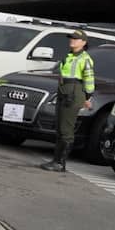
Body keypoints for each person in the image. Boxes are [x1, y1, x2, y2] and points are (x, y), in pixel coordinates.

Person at [40, 30, 95, 172]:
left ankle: (60, 163)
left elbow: (89, 79)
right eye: (71, 38)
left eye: (76, 39)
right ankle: (56, 160)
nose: (72, 40)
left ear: (83, 42)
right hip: (64, 92)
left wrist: (88, 97)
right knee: (59, 128)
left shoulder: (85, 58)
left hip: (74, 93)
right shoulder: (69, 56)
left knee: (66, 129)